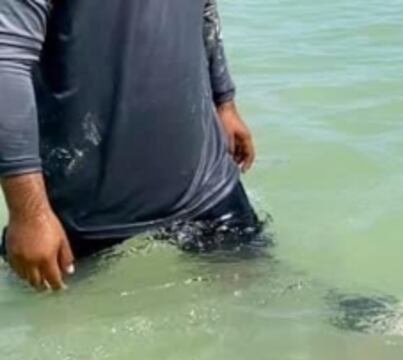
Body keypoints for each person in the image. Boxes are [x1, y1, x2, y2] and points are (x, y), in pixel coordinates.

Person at [0, 0, 262, 292]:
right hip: (85, 212)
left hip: (206, 184)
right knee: (65, 328)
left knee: (258, 308)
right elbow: (6, 60)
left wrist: (224, 100)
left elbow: (204, 7)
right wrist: (29, 215)